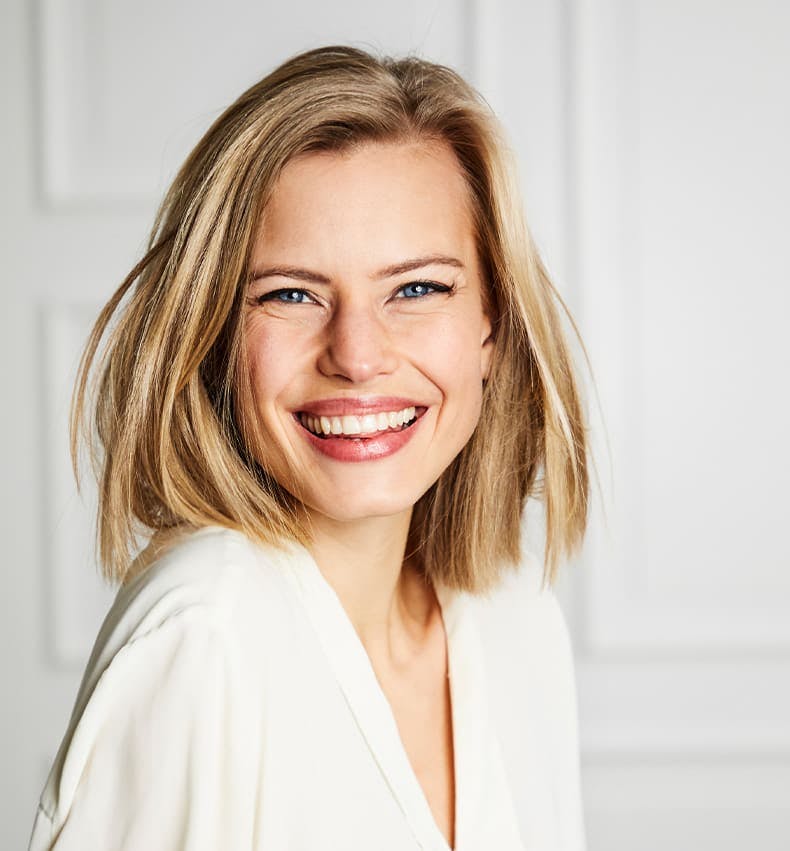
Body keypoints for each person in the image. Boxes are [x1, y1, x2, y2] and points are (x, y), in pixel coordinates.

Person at [29, 45, 589, 850]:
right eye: (291, 293)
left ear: (490, 328)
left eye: (417, 288)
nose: (357, 354)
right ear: (217, 333)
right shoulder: (205, 637)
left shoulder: (517, 618)